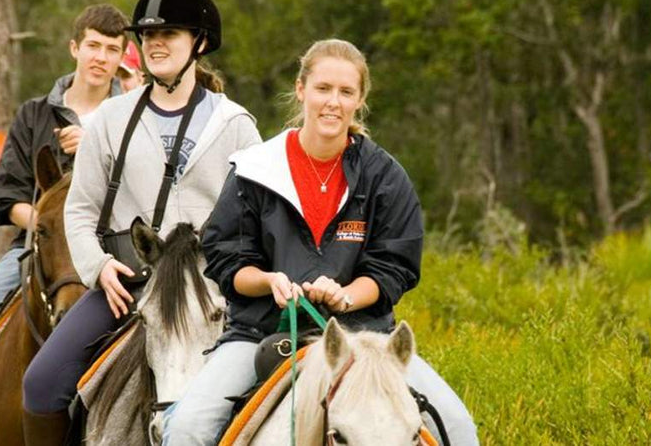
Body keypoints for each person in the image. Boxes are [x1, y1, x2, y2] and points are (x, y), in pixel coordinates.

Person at [163, 39, 480, 445]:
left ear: (360, 100)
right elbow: (228, 262)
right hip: (258, 333)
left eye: (346, 92)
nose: (333, 102)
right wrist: (269, 282)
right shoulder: (255, 168)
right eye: (323, 88)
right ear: (301, 90)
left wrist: (345, 297)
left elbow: (393, 268)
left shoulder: (385, 176)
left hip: (365, 337)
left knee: (459, 429)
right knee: (187, 427)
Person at [21, 0, 262, 445]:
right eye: (148, 35)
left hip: (211, 290)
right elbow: (80, 209)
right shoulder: (110, 119)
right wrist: (97, 267)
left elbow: (256, 218)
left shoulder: (236, 125)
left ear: (200, 42)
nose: (154, 43)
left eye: (168, 33)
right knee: (41, 383)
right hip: (127, 284)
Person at [0, 4, 129, 445]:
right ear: (74, 48)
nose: (100, 57)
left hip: (110, 253)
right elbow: (6, 198)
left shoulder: (129, 118)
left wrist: (96, 145)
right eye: (93, 46)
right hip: (37, 247)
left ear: (121, 58)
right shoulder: (35, 114)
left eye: (112, 49)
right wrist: (48, 228)